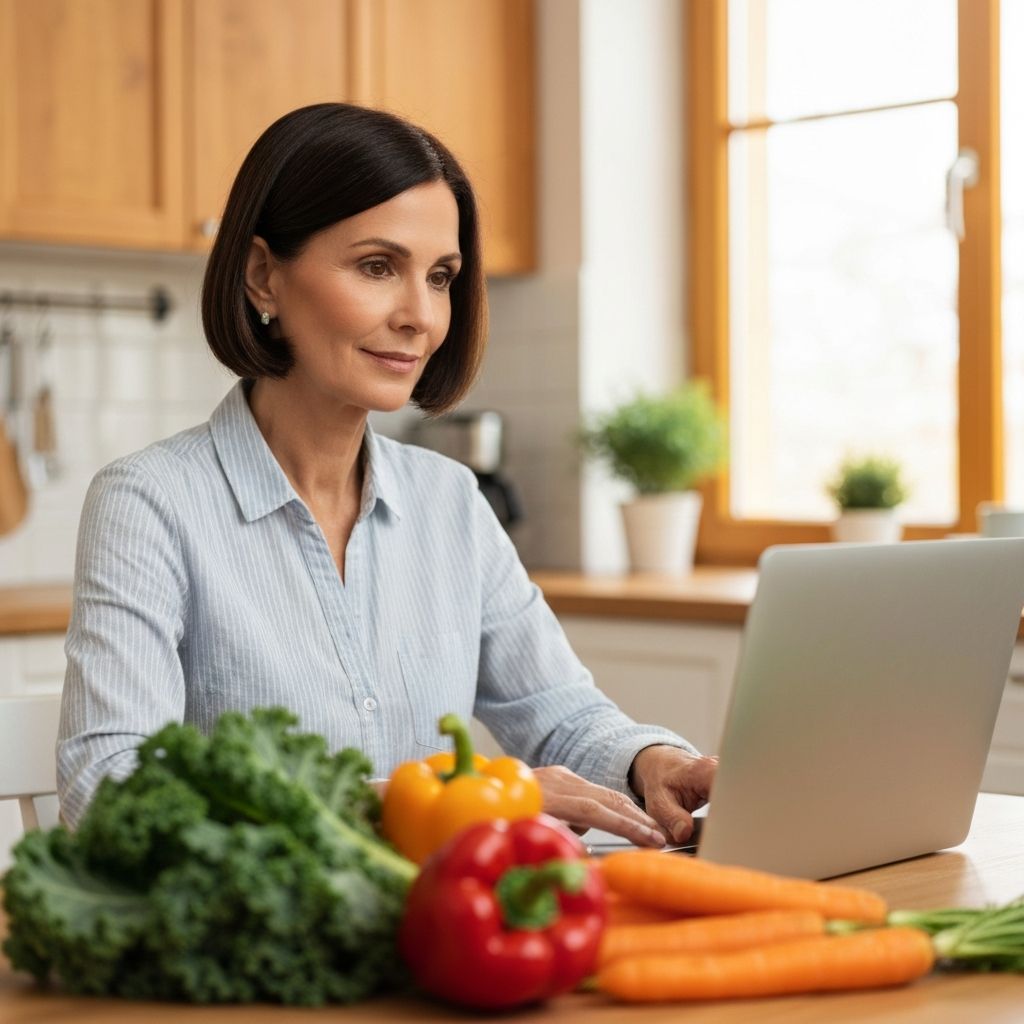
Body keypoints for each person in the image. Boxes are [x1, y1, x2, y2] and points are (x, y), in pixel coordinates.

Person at [57, 103, 716, 843]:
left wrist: (649, 760)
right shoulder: (150, 504)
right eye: (378, 267)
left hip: (441, 931)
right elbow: (110, 794)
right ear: (263, 277)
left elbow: (561, 714)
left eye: (440, 277)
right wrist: (445, 795)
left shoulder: (450, 502)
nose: (422, 316)